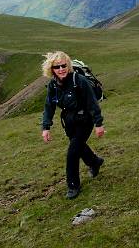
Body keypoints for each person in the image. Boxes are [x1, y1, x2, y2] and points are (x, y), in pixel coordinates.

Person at [41, 51, 105, 200]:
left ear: (68, 65)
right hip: (69, 122)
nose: (61, 69)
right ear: (52, 69)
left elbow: (92, 103)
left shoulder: (79, 80)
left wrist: (98, 123)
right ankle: (95, 162)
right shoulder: (53, 85)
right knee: (79, 147)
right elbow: (49, 106)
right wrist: (46, 127)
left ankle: (73, 185)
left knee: (73, 152)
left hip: (85, 120)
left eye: (64, 65)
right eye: (57, 67)